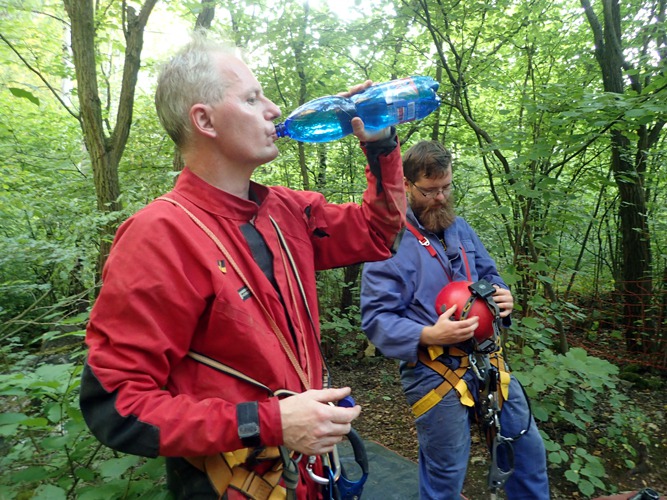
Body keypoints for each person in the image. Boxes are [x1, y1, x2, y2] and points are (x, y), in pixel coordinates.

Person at [79, 33, 406, 500]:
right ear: (204, 120)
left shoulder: (287, 212)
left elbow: (379, 231)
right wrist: (270, 422)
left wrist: (380, 142)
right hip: (230, 487)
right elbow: (118, 406)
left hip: (311, 477)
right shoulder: (160, 235)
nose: (273, 110)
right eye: (253, 98)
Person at [360, 140, 550, 499]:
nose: (441, 198)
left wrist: (502, 296)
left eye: (446, 187)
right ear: (407, 185)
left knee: (526, 451)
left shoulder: (460, 228)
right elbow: (376, 319)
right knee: (445, 469)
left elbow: (489, 275)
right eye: (430, 190)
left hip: (486, 360)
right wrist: (430, 333)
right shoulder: (388, 242)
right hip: (433, 370)